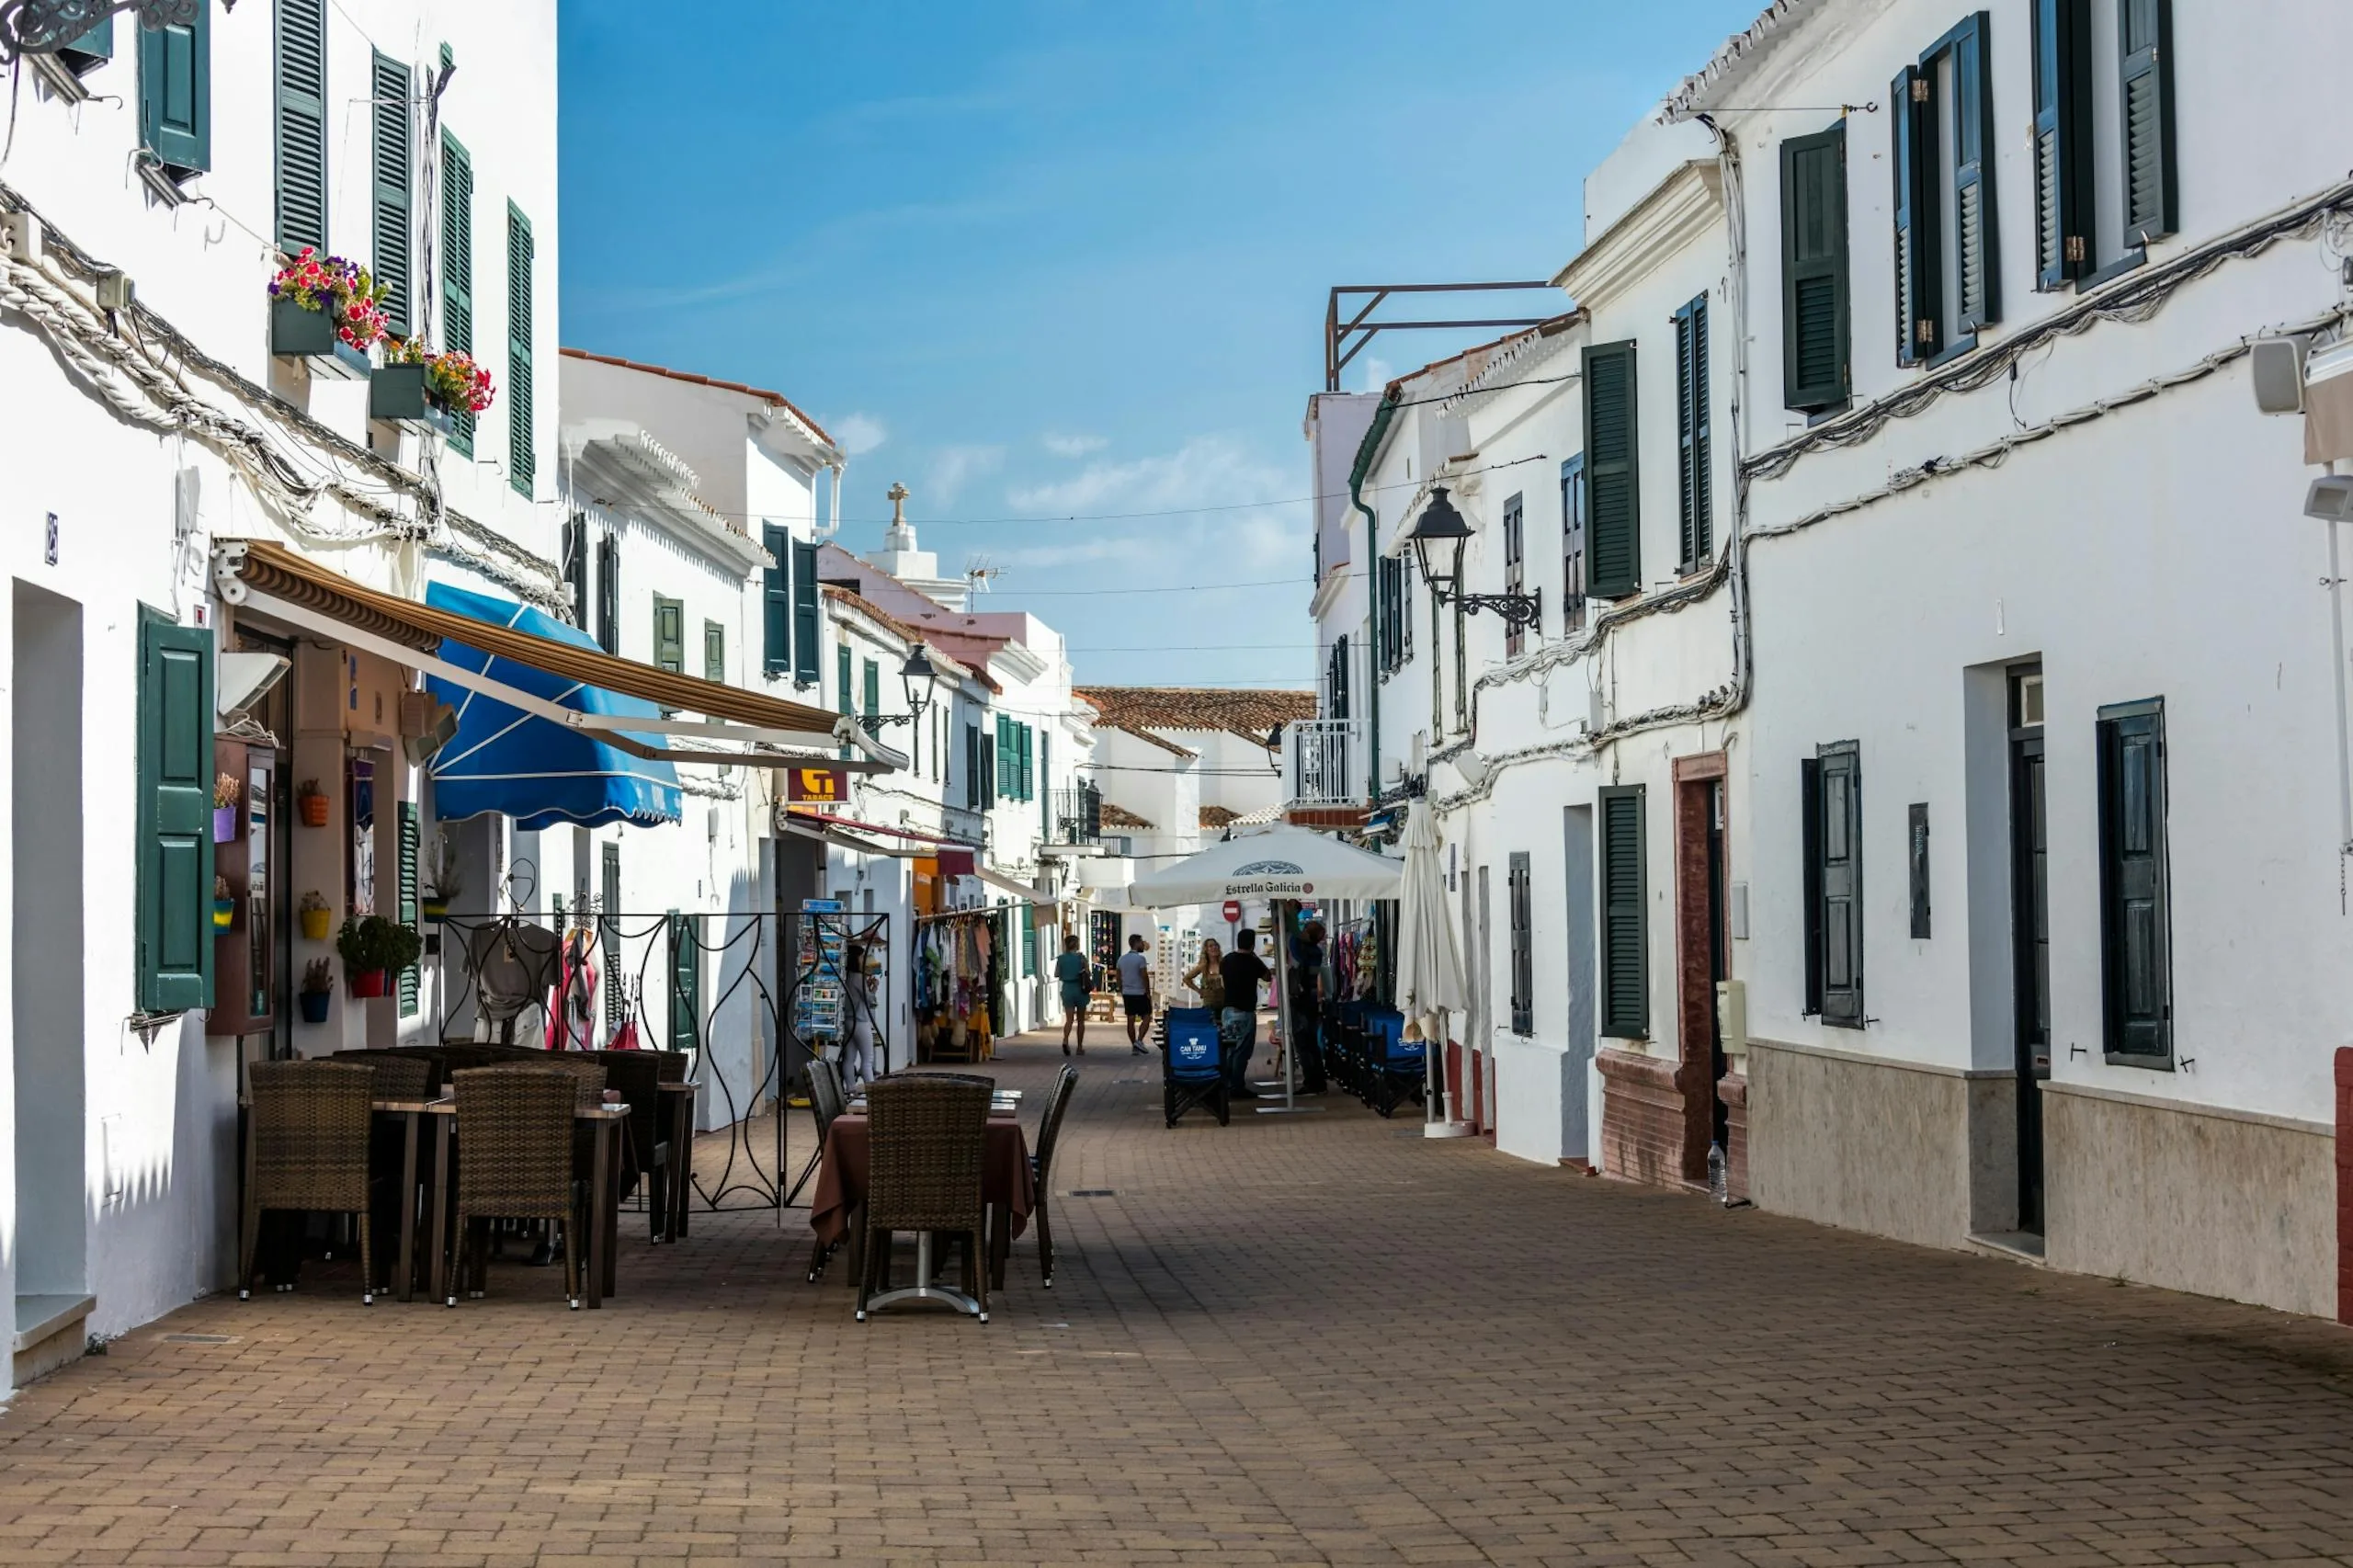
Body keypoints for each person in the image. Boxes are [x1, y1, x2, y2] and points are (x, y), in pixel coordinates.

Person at [1216, 929, 1273, 1099]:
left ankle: (1226, 1084)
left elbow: (1222, 979)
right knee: (1242, 1051)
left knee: (1229, 1049)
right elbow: (1268, 977)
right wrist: (1255, 957)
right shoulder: (1252, 961)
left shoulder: (1226, 960)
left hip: (1227, 1009)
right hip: (1244, 1010)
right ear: (1252, 944)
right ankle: (1237, 1086)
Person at [1288, 918, 1329, 1095]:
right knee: (1312, 1043)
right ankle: (1318, 1081)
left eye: (1305, 929)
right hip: (1311, 1001)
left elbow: (1293, 939)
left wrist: (1290, 917)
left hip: (1302, 1002)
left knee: (1303, 1044)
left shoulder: (1304, 951)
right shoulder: (1316, 952)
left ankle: (1312, 1081)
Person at [1054, 932, 1093, 1056]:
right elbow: (1088, 972)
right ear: (1077, 944)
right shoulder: (1081, 958)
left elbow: (1057, 974)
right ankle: (1079, 1047)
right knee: (1081, 1020)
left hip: (1067, 989)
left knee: (1069, 1019)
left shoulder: (1061, 958)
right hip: (1080, 989)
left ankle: (1065, 1039)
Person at [1116, 933, 1154, 1054]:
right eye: (1141, 942)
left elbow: (1118, 977)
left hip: (1128, 993)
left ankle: (1134, 1046)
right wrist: (1148, 992)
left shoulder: (1121, 959)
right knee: (1147, 1016)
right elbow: (1144, 976)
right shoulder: (1140, 959)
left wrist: (1122, 990)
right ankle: (1139, 1040)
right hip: (1140, 992)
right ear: (1137, 943)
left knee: (1130, 1019)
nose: (1143, 945)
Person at [1182, 937, 1225, 1014]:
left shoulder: (1224, 963)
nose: (1214, 948)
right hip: (1209, 1004)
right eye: (1211, 946)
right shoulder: (1203, 966)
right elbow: (1186, 978)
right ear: (1206, 950)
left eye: (1216, 945)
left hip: (1224, 1003)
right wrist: (1199, 991)